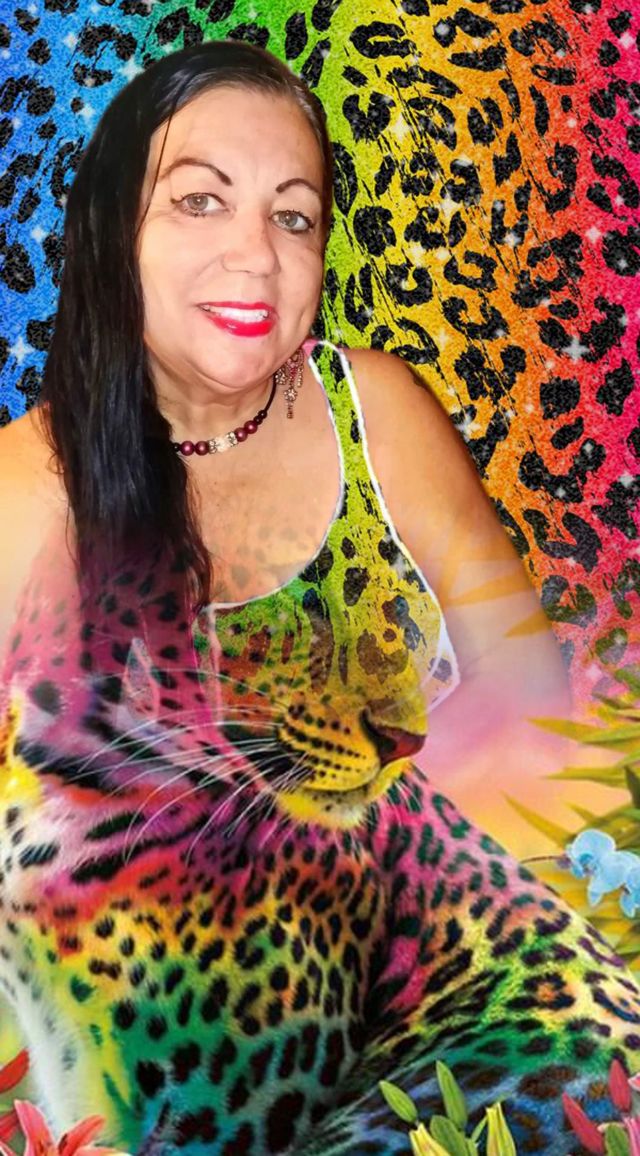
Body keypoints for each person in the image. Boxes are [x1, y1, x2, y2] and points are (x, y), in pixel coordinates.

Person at [0, 37, 638, 1156]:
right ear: (107, 234)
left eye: (293, 217)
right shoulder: (21, 493)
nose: (256, 255)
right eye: (200, 200)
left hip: (492, 1029)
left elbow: (554, 735)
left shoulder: (377, 414)